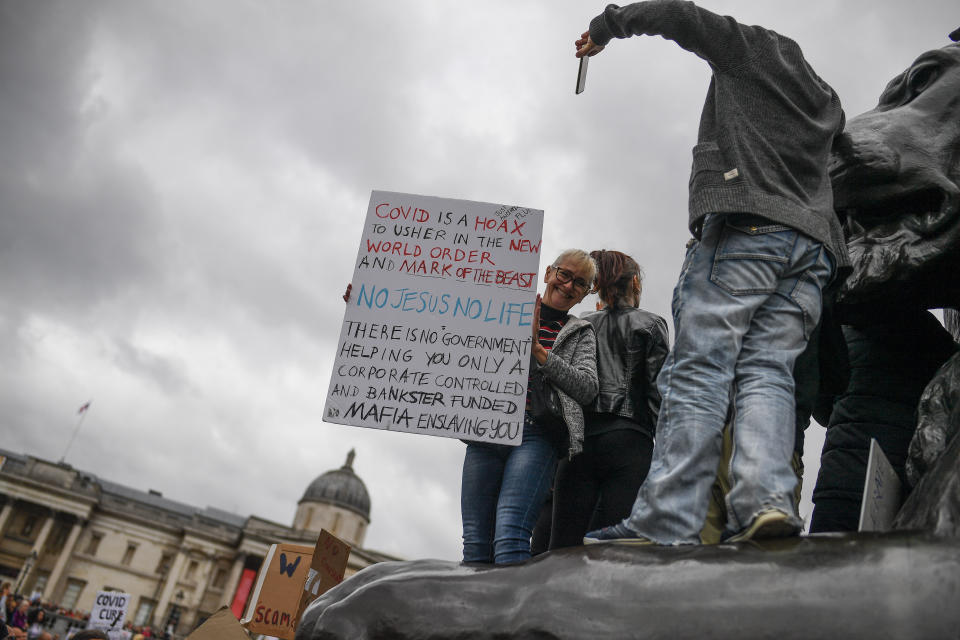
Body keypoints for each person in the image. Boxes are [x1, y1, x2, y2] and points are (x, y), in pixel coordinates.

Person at [579, 1, 849, 545]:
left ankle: (667, 520)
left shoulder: (752, 48)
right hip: (813, 248)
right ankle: (766, 503)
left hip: (748, 228)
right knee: (768, 371)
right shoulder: (826, 101)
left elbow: (677, 15)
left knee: (701, 369)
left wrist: (606, 27)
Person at [461, 249, 599, 564]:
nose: (567, 286)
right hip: (486, 429)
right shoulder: (505, 309)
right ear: (549, 272)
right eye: (564, 275)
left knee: (511, 534)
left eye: (579, 284)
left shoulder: (581, 332)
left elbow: (588, 388)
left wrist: (541, 353)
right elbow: (439, 330)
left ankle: (511, 613)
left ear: (583, 296)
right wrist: (365, 302)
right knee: (475, 541)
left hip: (536, 435)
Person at [548, 250, 668, 549]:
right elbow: (659, 393)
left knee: (562, 548)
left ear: (597, 286)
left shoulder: (578, 323)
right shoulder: (652, 324)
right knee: (616, 548)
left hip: (579, 444)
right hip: (630, 442)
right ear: (635, 283)